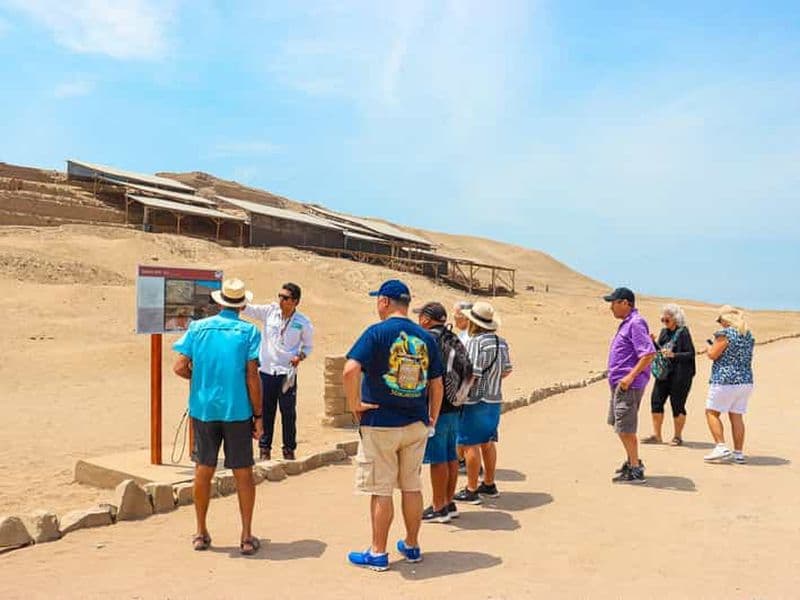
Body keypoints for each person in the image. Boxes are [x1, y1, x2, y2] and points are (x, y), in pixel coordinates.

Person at [343, 279, 444, 571]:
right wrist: (432, 416)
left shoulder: (376, 333)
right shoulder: (425, 337)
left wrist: (355, 405)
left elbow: (350, 370)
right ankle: (412, 545)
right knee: (412, 486)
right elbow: (436, 383)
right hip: (415, 422)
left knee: (381, 489)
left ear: (385, 302)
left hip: (381, 422)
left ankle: (378, 552)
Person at [172, 278, 263, 555]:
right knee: (243, 472)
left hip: (204, 409)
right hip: (236, 410)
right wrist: (258, 415)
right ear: (242, 305)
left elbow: (178, 366)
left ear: (219, 302)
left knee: (204, 469)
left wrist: (198, 378)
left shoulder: (198, 328)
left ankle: (200, 532)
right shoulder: (249, 332)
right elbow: (251, 376)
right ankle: (246, 536)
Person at [243, 282, 314, 461]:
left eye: (286, 298)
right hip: (266, 371)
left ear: (295, 301)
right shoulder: (269, 312)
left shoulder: (302, 322)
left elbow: (308, 346)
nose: (281, 300)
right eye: (280, 296)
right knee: (266, 411)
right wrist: (235, 298)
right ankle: (264, 449)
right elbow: (248, 309)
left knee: (288, 412)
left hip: (286, 373)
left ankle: (289, 449)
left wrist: (300, 356)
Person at [414, 301, 469, 524]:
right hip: (456, 405)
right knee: (450, 456)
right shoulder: (452, 338)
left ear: (427, 319)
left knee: (438, 459)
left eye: (420, 317)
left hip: (438, 407)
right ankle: (448, 501)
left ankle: (438, 507)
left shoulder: (429, 340)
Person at [453, 301, 513, 505]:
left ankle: (471, 489)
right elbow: (506, 370)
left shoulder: (474, 342)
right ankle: (489, 483)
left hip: (474, 401)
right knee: (488, 442)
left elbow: (473, 375)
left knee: (470, 444)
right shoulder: (501, 342)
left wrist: (459, 395)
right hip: (494, 399)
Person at [604, 287, 656, 484]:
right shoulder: (629, 323)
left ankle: (635, 469)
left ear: (625, 303)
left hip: (628, 385)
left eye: (614, 303)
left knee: (626, 428)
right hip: (621, 383)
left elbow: (648, 354)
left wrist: (629, 377)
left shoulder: (635, 323)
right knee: (619, 424)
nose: (611, 307)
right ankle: (632, 460)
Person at [703, 305, 755, 464]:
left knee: (711, 412)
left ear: (726, 319)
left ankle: (720, 446)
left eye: (720, 320)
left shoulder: (725, 334)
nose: (720, 324)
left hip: (725, 380)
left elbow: (713, 354)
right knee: (736, 415)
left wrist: (708, 347)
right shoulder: (747, 335)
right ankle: (738, 453)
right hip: (745, 380)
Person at [641, 303, 696, 446]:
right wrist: (652, 342)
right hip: (664, 373)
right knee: (656, 401)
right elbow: (659, 350)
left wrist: (673, 355)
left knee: (677, 405)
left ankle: (677, 436)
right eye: (663, 320)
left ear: (676, 319)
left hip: (681, 375)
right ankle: (657, 436)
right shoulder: (664, 332)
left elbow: (690, 354)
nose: (664, 323)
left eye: (667, 320)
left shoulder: (683, 332)